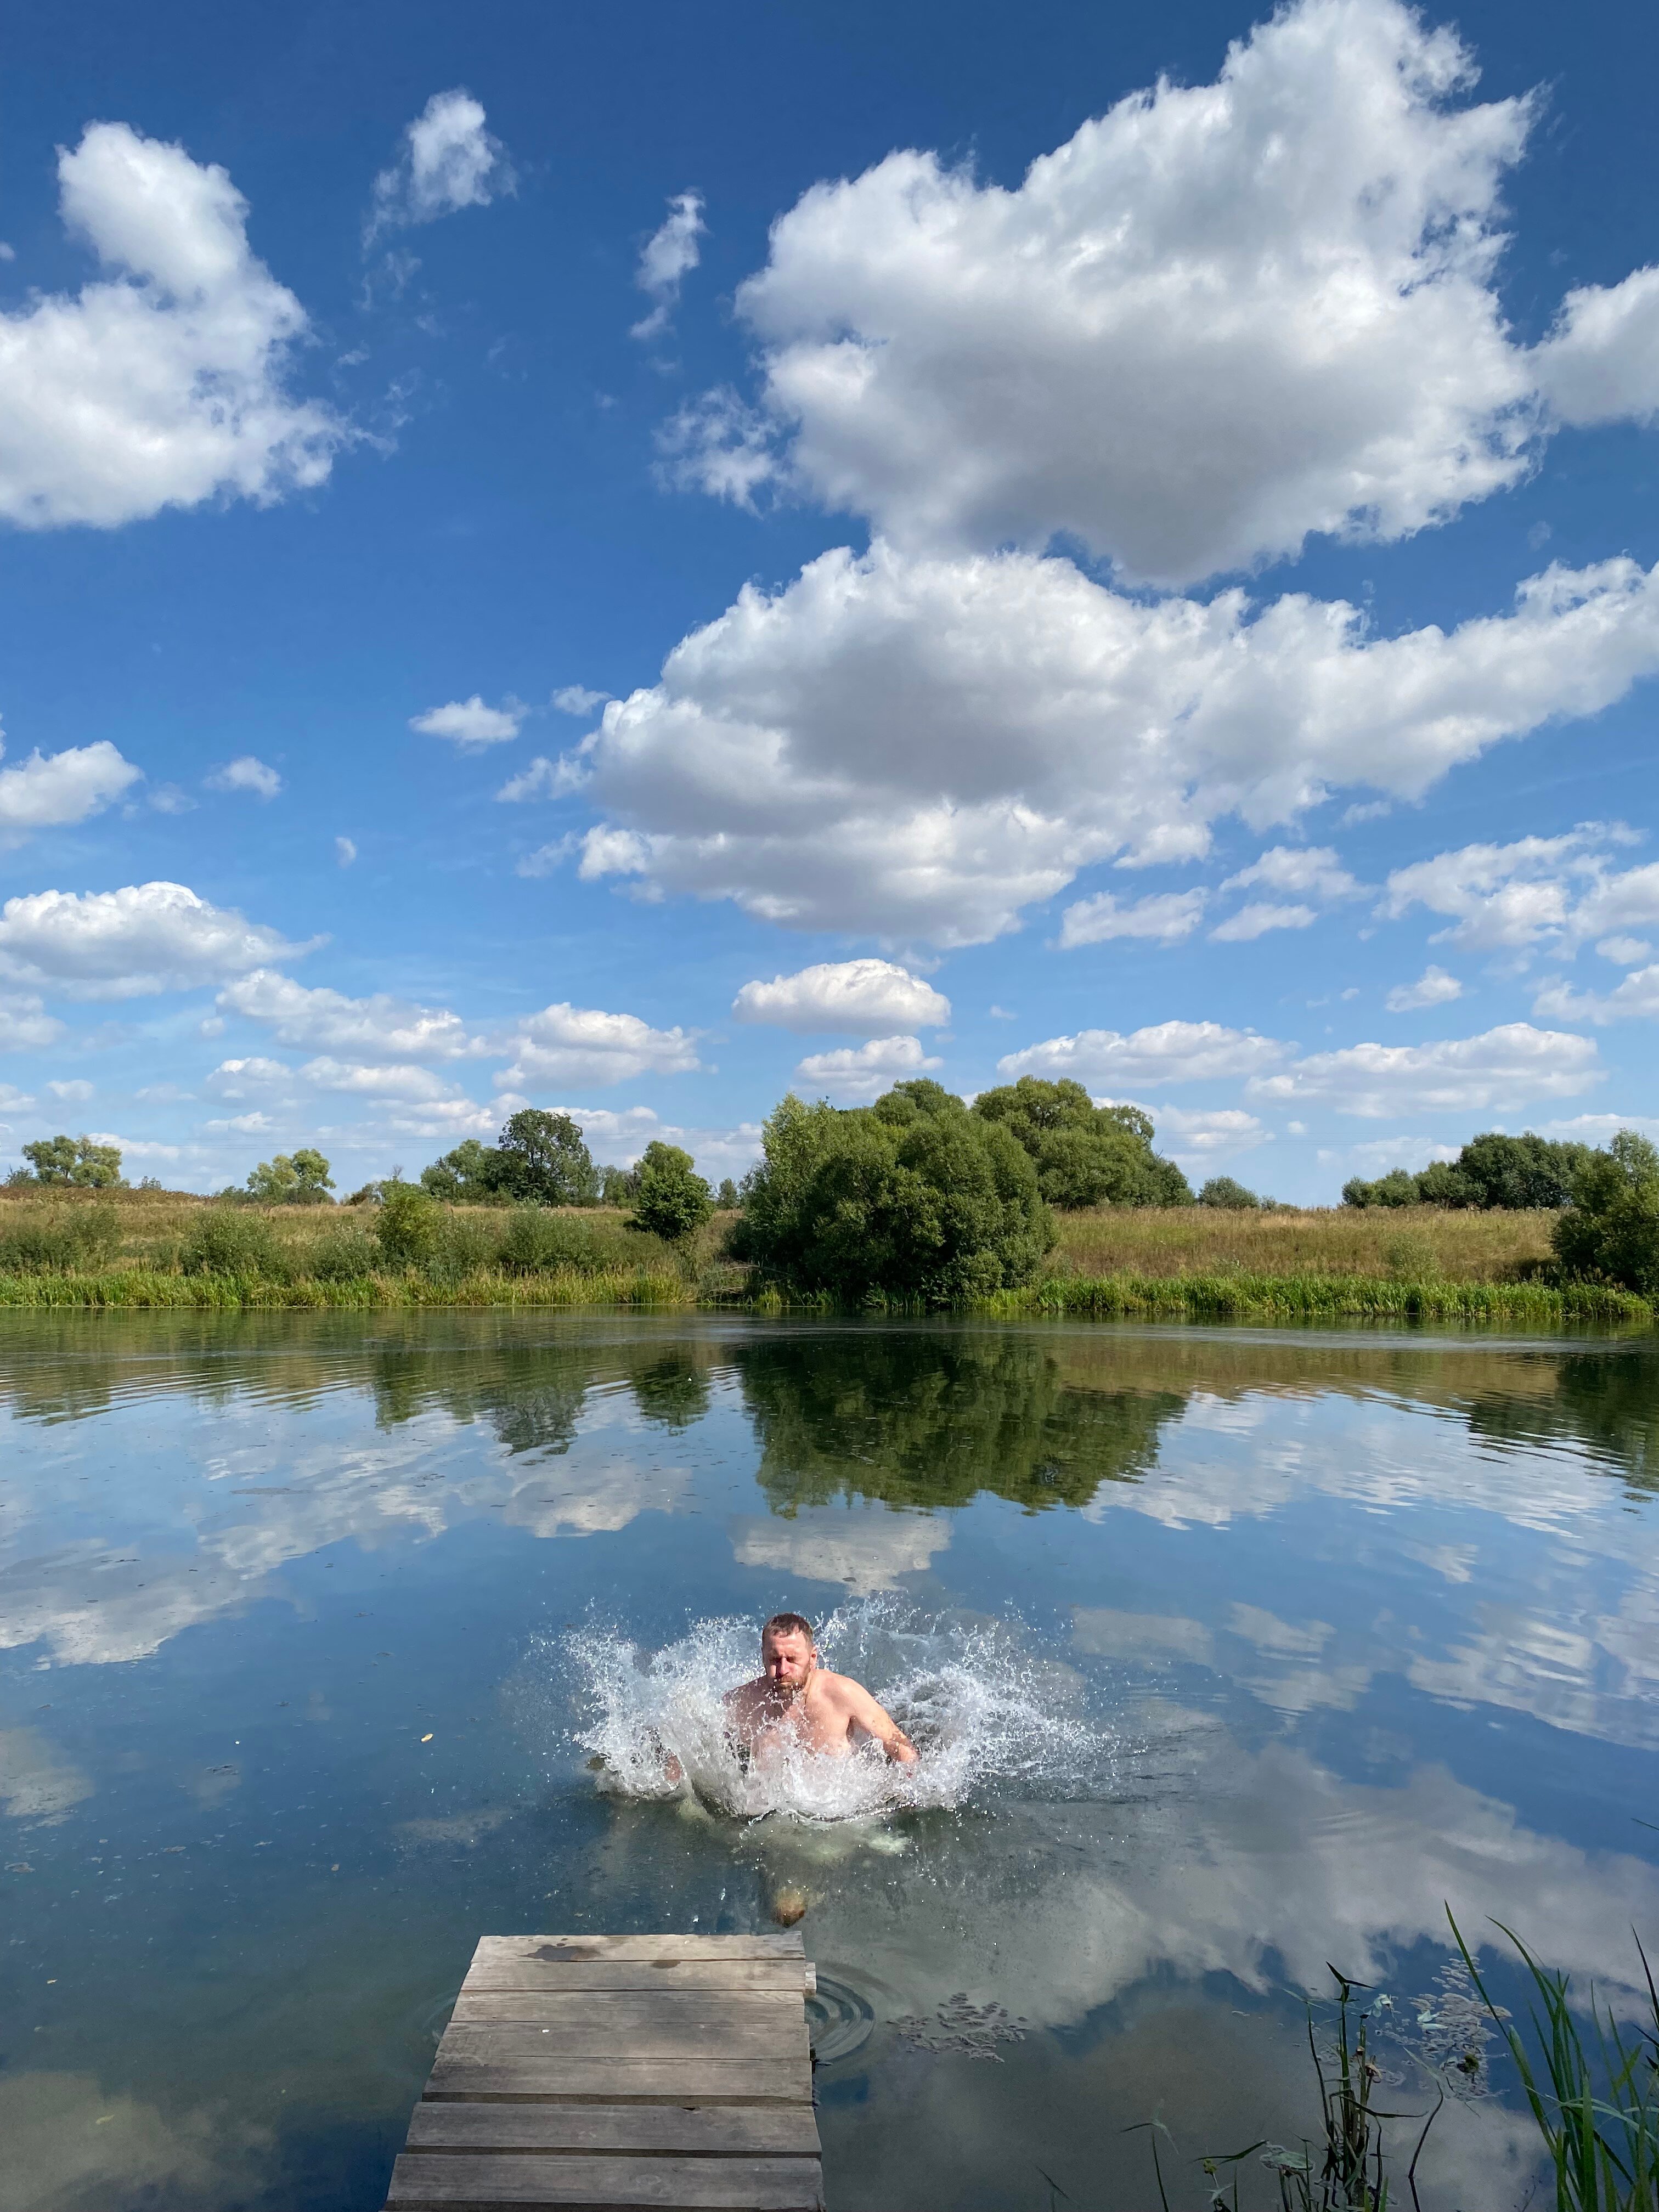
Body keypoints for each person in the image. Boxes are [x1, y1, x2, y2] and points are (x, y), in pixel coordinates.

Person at [724, 1612, 918, 1766]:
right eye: (775, 1660)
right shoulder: (740, 1703)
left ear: (813, 1658)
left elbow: (899, 1744)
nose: (783, 1670)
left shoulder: (844, 1694)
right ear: (763, 1657)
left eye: (792, 1660)